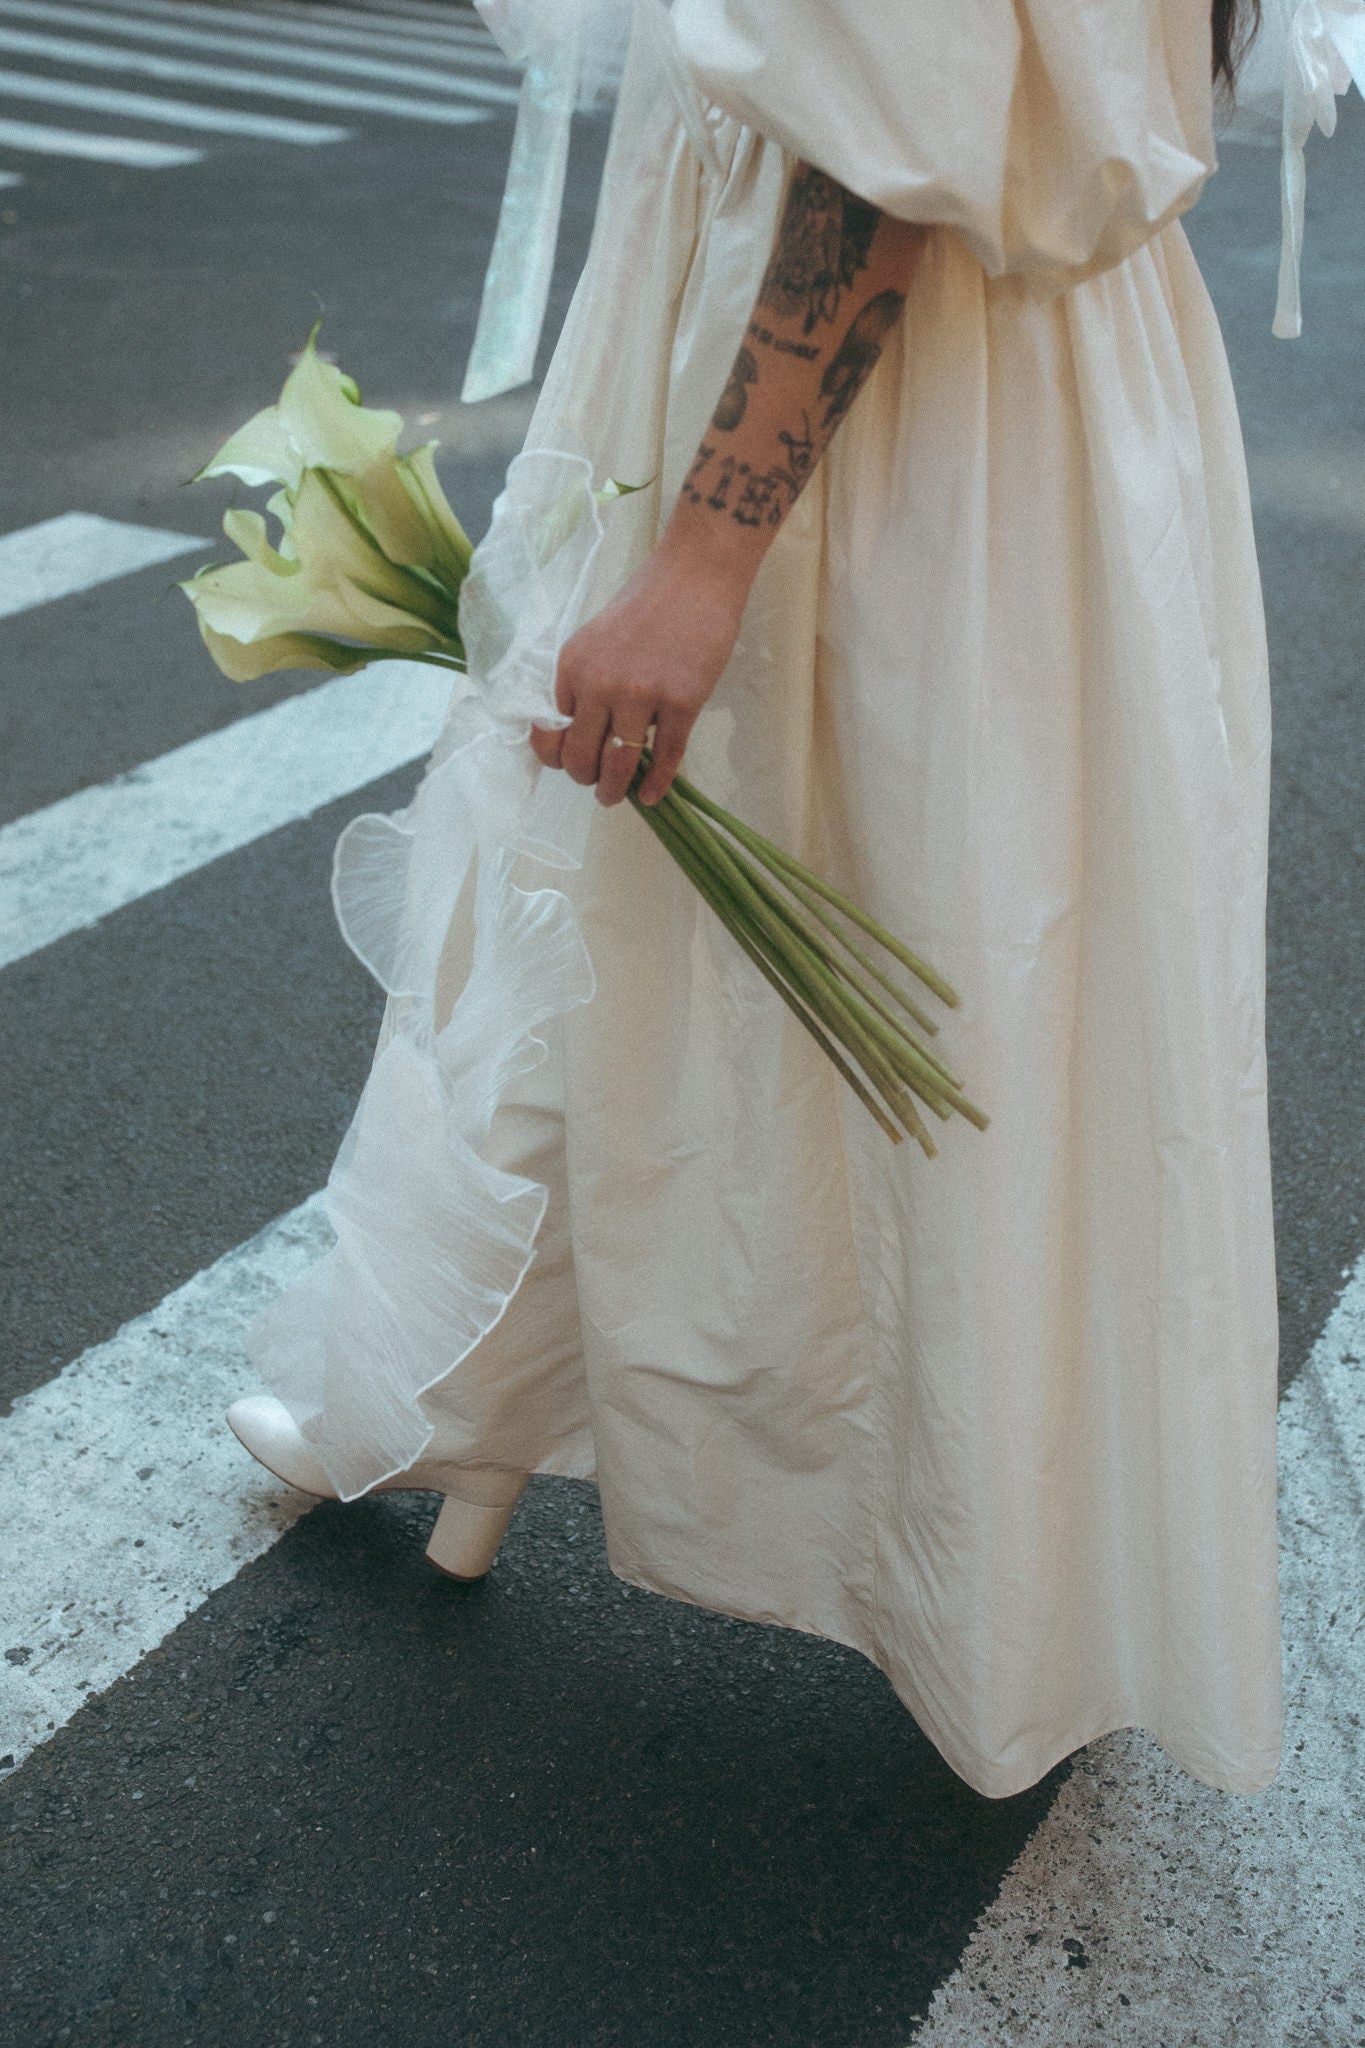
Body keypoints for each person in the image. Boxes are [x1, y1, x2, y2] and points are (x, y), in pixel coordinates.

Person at [227, 0, 1285, 1800]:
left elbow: (895, 115)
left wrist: (709, 551)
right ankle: (473, 1404)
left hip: (879, 420)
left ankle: (960, 1590)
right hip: (1049, 384)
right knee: (939, 946)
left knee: (778, 912)